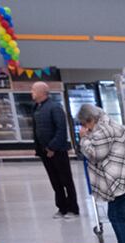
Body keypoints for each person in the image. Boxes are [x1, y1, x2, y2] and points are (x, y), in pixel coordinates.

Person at [76, 104, 125, 243]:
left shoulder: (102, 130)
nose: (86, 128)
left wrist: (83, 139)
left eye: (85, 124)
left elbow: (95, 154)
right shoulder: (111, 123)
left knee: (116, 215)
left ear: (90, 119)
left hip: (119, 180)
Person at [31, 82, 79, 218]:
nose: (31, 92)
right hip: (44, 151)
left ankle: (73, 208)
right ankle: (62, 208)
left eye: (34, 90)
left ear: (42, 91)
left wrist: (52, 147)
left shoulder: (55, 107)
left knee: (66, 180)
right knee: (55, 181)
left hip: (57, 151)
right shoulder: (36, 108)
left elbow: (61, 130)